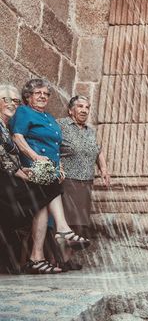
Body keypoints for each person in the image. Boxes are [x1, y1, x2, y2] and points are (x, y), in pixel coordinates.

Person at [10, 79, 91, 273]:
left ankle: (37, 258)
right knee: (50, 192)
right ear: (28, 96)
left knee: (43, 208)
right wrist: (35, 157)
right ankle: (62, 230)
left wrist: (60, 167)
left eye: (46, 94)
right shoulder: (23, 112)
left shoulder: (49, 118)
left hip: (50, 170)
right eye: (38, 93)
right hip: (32, 167)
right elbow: (17, 137)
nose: (42, 97)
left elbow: (57, 147)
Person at [57, 95, 111, 270]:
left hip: (86, 180)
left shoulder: (90, 130)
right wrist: (57, 166)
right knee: (65, 219)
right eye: (80, 106)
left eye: (87, 107)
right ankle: (58, 258)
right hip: (68, 179)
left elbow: (98, 150)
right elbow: (53, 147)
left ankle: (67, 259)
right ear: (70, 110)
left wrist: (103, 169)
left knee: (79, 222)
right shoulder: (61, 125)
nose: (84, 110)